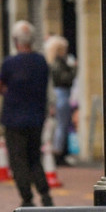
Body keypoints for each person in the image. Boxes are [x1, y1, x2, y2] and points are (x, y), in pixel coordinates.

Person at [0, 20, 53, 208]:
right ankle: (45, 195)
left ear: (15, 40)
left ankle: (27, 199)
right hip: (36, 117)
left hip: (13, 119)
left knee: (18, 160)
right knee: (35, 156)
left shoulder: (10, 63)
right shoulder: (41, 61)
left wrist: (9, 91)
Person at [44, 35, 76, 165]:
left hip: (60, 95)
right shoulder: (58, 63)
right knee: (61, 126)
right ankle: (58, 153)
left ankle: (58, 152)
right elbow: (65, 79)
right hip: (61, 95)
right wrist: (74, 69)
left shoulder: (55, 62)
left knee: (60, 126)